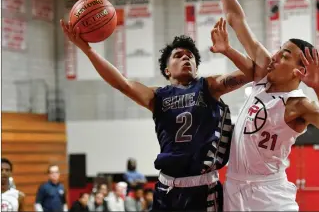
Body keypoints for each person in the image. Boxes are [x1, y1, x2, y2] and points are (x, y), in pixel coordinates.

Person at [194, 0, 319, 211]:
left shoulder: (298, 104)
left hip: (270, 194)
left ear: (299, 70)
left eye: (284, 55)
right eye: (278, 50)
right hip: (235, 187)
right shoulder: (264, 75)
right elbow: (236, 18)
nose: (274, 56)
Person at [61, 15, 250, 210]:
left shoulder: (208, 86)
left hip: (202, 189)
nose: (186, 57)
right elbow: (121, 83)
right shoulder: (157, 96)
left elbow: (253, 72)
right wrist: (86, 49)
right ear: (167, 70)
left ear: (196, 67)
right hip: (166, 190)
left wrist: (228, 50)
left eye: (190, 56)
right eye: (178, 55)